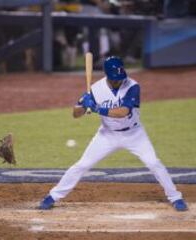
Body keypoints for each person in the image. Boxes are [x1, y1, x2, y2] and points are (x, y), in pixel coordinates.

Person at [39, 56, 188, 212]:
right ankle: (52, 196)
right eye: (115, 79)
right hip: (107, 135)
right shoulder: (95, 89)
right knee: (82, 165)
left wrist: (97, 108)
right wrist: (84, 104)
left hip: (134, 134)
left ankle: (175, 197)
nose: (119, 81)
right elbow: (75, 114)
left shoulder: (133, 86)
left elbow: (123, 112)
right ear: (107, 75)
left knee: (153, 163)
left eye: (120, 78)